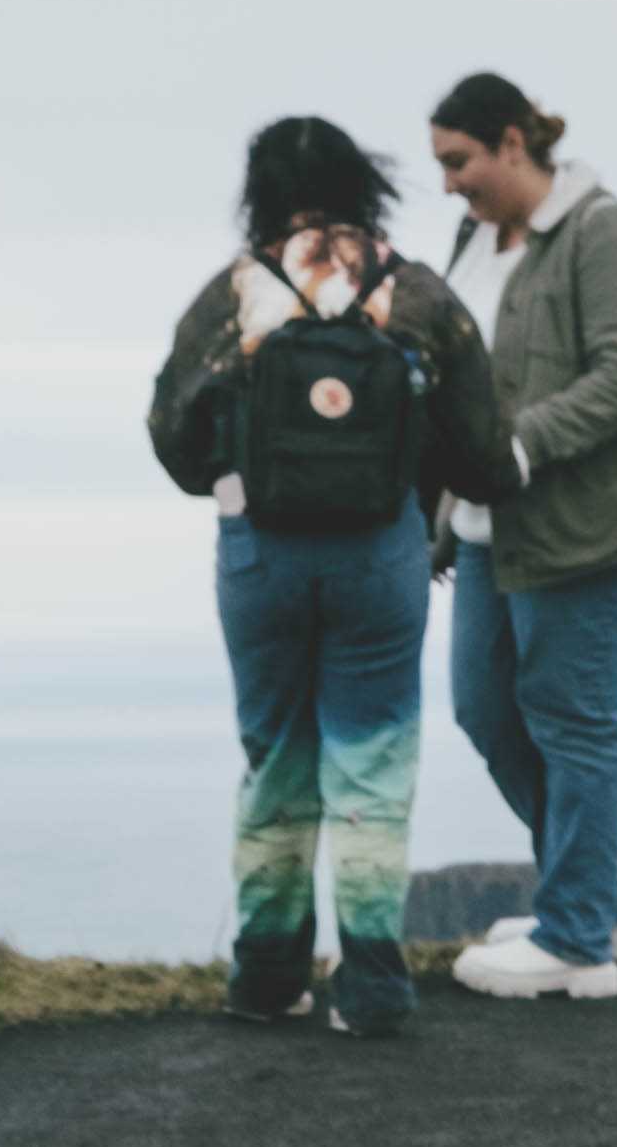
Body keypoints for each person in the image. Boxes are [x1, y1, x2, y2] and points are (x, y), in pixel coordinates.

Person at [149, 114, 500, 1037]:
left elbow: (169, 434)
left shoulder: (234, 292)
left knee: (274, 759)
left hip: (259, 552)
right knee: (371, 772)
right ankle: (373, 988)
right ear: (364, 184)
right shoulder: (413, 292)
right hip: (380, 554)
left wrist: (234, 480)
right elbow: (484, 450)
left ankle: (265, 977)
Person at [425, 73, 617, 1004]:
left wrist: (518, 448)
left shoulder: (609, 233)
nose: (448, 184)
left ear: (513, 142)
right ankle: (601, 903)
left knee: (571, 716)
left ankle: (579, 943)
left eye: (458, 161)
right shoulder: (473, 237)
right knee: (488, 710)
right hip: (487, 528)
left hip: (595, 526)